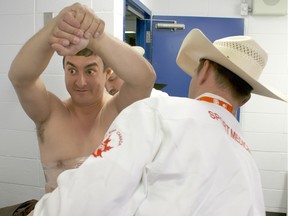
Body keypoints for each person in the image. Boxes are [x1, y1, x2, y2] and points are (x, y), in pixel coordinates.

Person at [32, 29, 288, 216]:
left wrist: (43, 211)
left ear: (206, 69)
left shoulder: (158, 111)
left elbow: (97, 188)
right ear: (243, 100)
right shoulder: (247, 159)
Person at [5, 2, 155, 216]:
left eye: (90, 71)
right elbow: (19, 77)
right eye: (72, 70)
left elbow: (144, 79)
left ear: (107, 73)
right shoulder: (50, 114)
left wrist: (96, 36)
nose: (80, 81)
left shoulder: (119, 112)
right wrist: (57, 25)